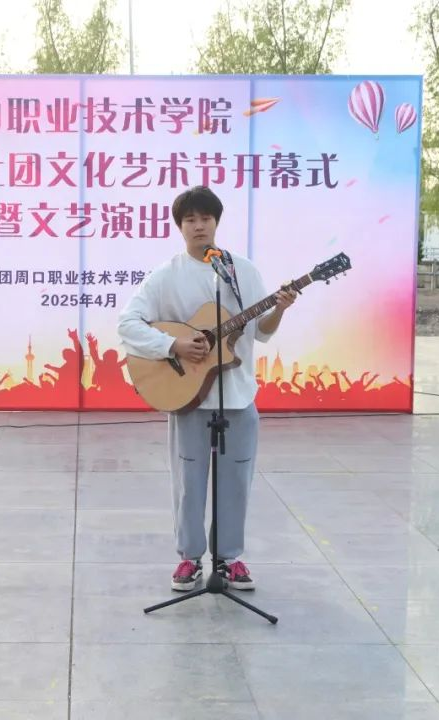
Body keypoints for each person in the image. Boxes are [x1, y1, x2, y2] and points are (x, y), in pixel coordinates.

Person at [117, 186, 297, 592]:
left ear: (217, 222)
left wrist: (280, 309)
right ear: (180, 227)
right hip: (187, 396)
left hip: (238, 394)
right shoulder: (166, 276)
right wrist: (173, 345)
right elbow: (127, 323)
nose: (199, 226)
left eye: (206, 219)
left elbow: (262, 331)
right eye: (190, 220)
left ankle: (229, 558)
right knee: (188, 481)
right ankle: (189, 557)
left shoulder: (242, 272)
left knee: (236, 481)